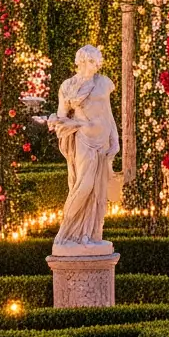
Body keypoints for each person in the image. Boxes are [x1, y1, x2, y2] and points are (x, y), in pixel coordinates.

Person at [50, 44, 120, 245]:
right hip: (83, 139)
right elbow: (62, 115)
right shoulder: (68, 86)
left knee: (98, 191)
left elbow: (108, 114)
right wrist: (58, 122)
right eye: (91, 62)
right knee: (83, 185)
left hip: (102, 141)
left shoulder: (104, 83)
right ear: (81, 61)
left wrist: (115, 139)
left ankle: (88, 234)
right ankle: (66, 231)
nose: (94, 66)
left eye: (97, 62)